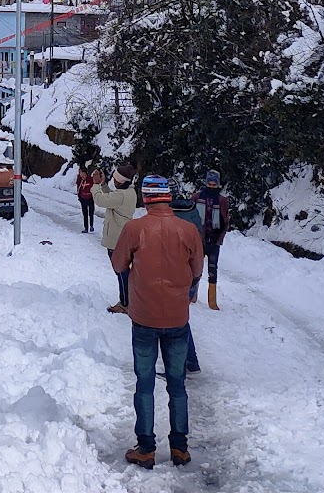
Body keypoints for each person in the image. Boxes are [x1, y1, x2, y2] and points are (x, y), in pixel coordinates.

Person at [111, 174, 204, 469]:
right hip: (177, 318)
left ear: (145, 198)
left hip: (144, 318)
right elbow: (197, 269)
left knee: (145, 383)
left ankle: (146, 448)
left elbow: (118, 264)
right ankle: (180, 448)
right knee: (177, 384)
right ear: (168, 196)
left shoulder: (134, 228)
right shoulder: (188, 230)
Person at [92, 161, 139, 312]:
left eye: (116, 180)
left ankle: (125, 303)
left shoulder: (121, 195)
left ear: (122, 181)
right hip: (123, 237)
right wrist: (104, 185)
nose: (114, 181)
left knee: (121, 271)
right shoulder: (129, 192)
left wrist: (96, 185)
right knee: (124, 271)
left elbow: (100, 200)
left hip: (116, 239)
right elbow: (111, 198)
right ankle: (129, 299)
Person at [169, 185, 204, 373]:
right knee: (180, 320)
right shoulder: (192, 210)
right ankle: (191, 362)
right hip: (191, 274)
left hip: (177, 276)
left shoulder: (171, 218)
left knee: (175, 323)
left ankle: (180, 366)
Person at [196, 170, 230, 309]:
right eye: (209, 184)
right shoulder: (197, 197)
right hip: (199, 239)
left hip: (214, 240)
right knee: (195, 269)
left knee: (212, 270)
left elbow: (226, 222)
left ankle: (212, 301)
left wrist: (219, 238)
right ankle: (192, 296)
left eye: (214, 184)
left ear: (218, 184)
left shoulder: (222, 201)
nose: (211, 186)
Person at [75, 166, 97, 233]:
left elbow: (94, 187)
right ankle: (86, 228)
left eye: (80, 172)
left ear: (84, 172)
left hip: (90, 198)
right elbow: (78, 188)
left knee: (91, 212)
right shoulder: (80, 180)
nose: (79, 174)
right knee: (85, 213)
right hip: (83, 199)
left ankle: (91, 226)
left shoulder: (90, 179)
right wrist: (79, 197)